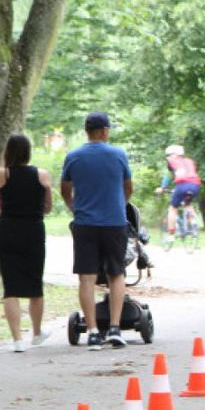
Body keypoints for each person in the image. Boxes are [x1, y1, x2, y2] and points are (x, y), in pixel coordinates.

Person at [60, 111, 134, 350]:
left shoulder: (73, 156)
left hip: (85, 224)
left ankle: (92, 331)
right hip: (114, 222)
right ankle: (114, 327)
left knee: (86, 277)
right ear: (104, 130)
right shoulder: (118, 155)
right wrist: (118, 206)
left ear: (87, 131)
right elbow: (128, 188)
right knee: (116, 273)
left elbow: (65, 189)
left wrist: (75, 209)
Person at [0, 134, 53, 352]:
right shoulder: (41, 174)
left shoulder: (2, 174)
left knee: (11, 287)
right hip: (33, 230)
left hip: (8, 229)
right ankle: (36, 332)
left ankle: (17, 339)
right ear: (28, 151)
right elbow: (47, 207)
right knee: (35, 284)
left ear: (8, 151)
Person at [156, 144, 202, 235]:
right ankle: (193, 225)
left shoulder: (172, 161)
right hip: (195, 185)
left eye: (168, 155)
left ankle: (171, 232)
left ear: (174, 154)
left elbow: (168, 176)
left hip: (182, 185)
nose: (168, 157)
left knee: (173, 208)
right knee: (187, 204)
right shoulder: (190, 161)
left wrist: (162, 188)